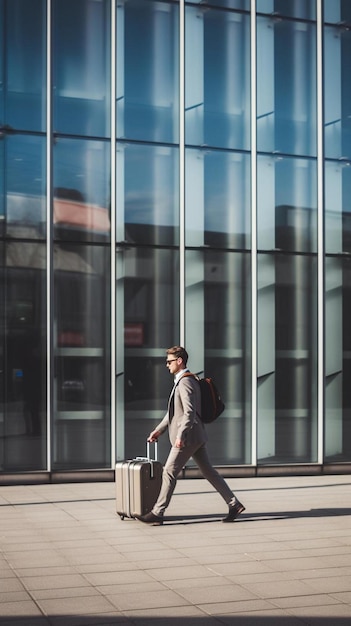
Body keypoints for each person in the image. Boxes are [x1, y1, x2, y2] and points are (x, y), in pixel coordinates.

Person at [135, 346, 245, 526]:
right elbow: (173, 412)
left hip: (188, 437)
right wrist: (159, 430)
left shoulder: (185, 382)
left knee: (169, 471)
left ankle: (157, 512)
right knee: (209, 472)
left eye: (169, 361)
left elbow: (189, 413)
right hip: (196, 435)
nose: (166, 365)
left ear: (180, 361)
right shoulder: (183, 380)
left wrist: (181, 435)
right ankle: (234, 504)